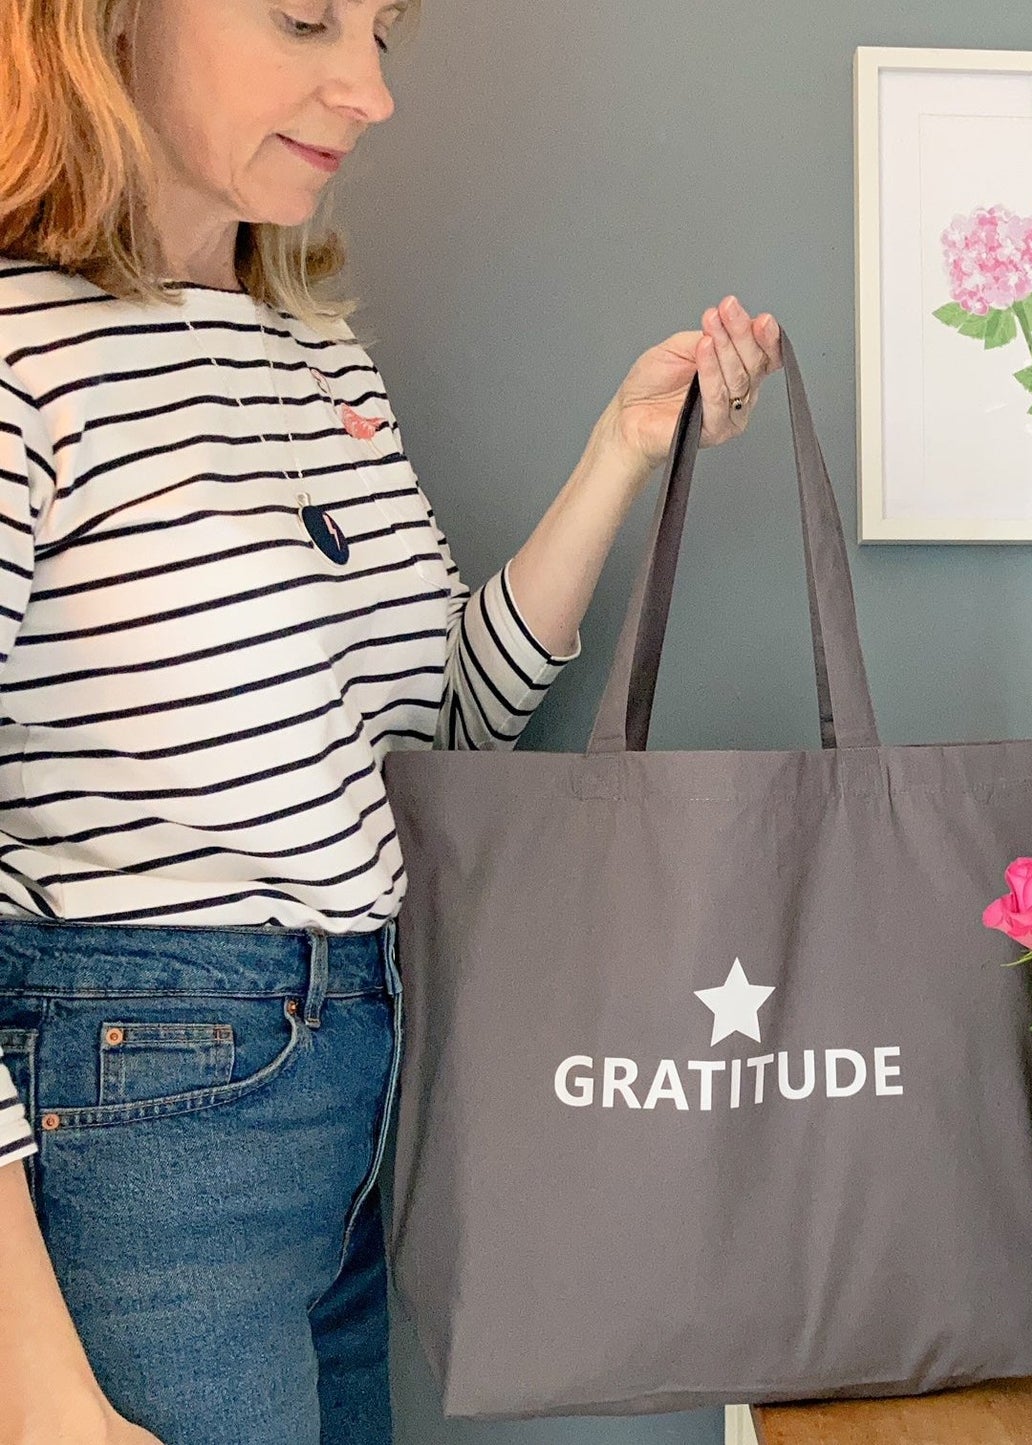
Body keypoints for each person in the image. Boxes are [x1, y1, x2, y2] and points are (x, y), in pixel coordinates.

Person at [0, 2, 783, 1441]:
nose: (368, 91)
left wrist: (624, 449)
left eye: (381, 33)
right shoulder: (19, 359)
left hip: (361, 1086)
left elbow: (438, 727)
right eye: (306, 20)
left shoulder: (312, 358)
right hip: (144, 1108)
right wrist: (38, 1388)